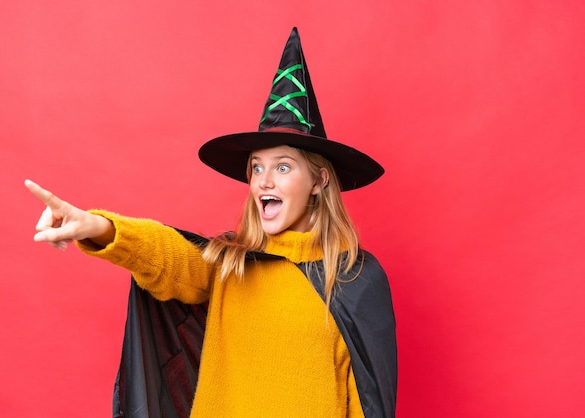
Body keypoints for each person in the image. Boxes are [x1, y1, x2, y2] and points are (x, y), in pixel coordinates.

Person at [26, 27, 397, 418]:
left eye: (283, 167)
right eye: (256, 168)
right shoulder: (230, 265)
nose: (264, 181)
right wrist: (97, 226)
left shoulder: (355, 280)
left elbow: (365, 404)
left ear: (319, 181)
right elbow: (168, 255)